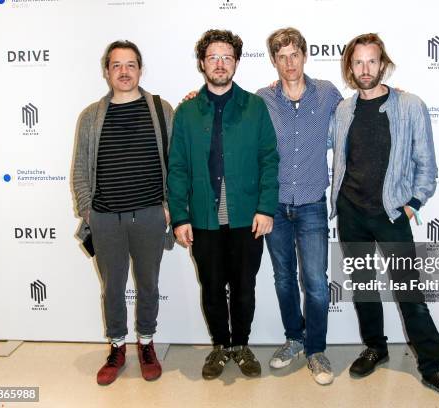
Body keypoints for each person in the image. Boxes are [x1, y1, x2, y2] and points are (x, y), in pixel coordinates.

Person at [330, 33, 439, 405]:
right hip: (351, 214)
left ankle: (432, 367)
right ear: (350, 67)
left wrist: (412, 203)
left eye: (372, 61)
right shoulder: (343, 110)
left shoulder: (410, 105)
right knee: (364, 287)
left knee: (410, 294)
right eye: (358, 62)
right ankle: (376, 348)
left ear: (384, 64)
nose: (365, 69)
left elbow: (427, 165)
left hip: (392, 215)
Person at [167, 29, 279, 380]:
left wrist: (265, 208)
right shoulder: (186, 112)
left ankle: (241, 344)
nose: (220, 63)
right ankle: (220, 346)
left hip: (247, 219)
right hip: (203, 220)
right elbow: (178, 168)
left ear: (236, 63)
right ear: (202, 63)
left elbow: (269, 160)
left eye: (227, 57)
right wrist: (180, 217)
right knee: (212, 287)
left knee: (245, 286)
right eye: (213, 57)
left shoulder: (255, 107)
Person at [72, 40, 174, 385]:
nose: (124, 72)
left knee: (148, 284)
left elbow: (176, 163)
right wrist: (87, 210)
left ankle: (146, 344)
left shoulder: (162, 110)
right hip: (105, 218)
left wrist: (168, 207)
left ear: (140, 70)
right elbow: (80, 170)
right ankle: (117, 347)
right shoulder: (91, 116)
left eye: (131, 65)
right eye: (117, 65)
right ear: (107, 71)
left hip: (149, 215)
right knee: (112, 287)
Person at [256, 27, 342, 385]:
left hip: (310, 204)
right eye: (282, 56)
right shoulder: (262, 99)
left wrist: (391, 96)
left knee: (317, 284)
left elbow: (357, 113)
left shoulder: (327, 93)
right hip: (274, 205)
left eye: (295, 54)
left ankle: (316, 350)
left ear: (305, 55)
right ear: (274, 60)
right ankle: (294, 338)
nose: (289, 63)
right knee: (283, 279)